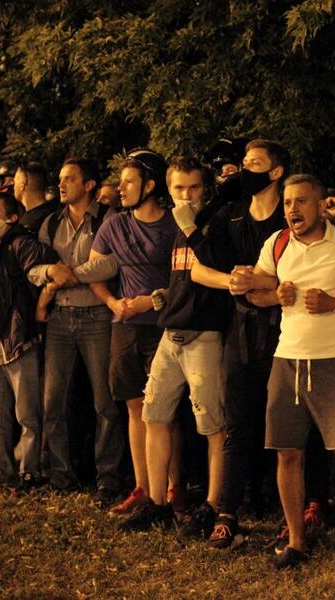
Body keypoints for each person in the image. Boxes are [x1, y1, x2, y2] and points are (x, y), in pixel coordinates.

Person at [246, 173, 335, 577]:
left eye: (301, 201)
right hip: (286, 359)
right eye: (288, 202)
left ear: (322, 206)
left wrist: (334, 303)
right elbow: (255, 292)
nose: (293, 209)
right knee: (287, 453)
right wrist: (275, 295)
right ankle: (295, 540)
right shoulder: (276, 243)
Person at [189, 138, 290, 548]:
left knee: (288, 425)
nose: (245, 170)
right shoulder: (230, 214)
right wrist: (232, 281)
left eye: (255, 163)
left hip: (286, 330)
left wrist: (260, 284)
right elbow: (199, 268)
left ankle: (295, 511)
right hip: (242, 329)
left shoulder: (290, 215)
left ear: (276, 172)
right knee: (238, 421)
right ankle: (227, 512)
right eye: (244, 162)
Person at [120, 156, 230, 531]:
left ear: (206, 188)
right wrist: (165, 297)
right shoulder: (180, 227)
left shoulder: (215, 223)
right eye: (179, 188)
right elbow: (185, 277)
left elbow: (217, 271)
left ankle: (213, 505)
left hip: (204, 334)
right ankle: (157, 502)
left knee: (213, 425)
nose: (186, 195)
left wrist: (192, 229)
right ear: (168, 189)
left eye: (194, 187)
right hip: (171, 332)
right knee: (154, 415)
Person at [88, 149, 179, 515]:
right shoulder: (114, 224)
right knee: (134, 405)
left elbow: (187, 279)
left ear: (150, 185)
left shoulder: (173, 225)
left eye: (128, 182)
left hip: (163, 326)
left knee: (165, 409)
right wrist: (113, 302)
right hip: (125, 327)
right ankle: (142, 487)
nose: (120, 188)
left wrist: (152, 301)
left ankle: (172, 488)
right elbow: (95, 271)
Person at [26, 157, 122, 504]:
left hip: (97, 316)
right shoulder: (51, 222)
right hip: (60, 318)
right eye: (60, 178)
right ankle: (61, 474)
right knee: (53, 401)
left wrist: (71, 274)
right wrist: (51, 273)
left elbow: (112, 263)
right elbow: (33, 268)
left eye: (69, 179)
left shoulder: (108, 218)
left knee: (105, 402)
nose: (61, 184)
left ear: (90, 185)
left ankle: (108, 478)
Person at [0, 192, 59, 489]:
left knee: (27, 414)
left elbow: (41, 274)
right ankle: (0, 472)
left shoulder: (22, 243)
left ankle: (29, 471)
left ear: (12, 217)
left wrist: (40, 306)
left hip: (18, 339)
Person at [15, 162, 60, 234]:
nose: (13, 187)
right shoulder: (57, 213)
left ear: (22, 186)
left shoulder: (32, 223)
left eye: (15, 183)